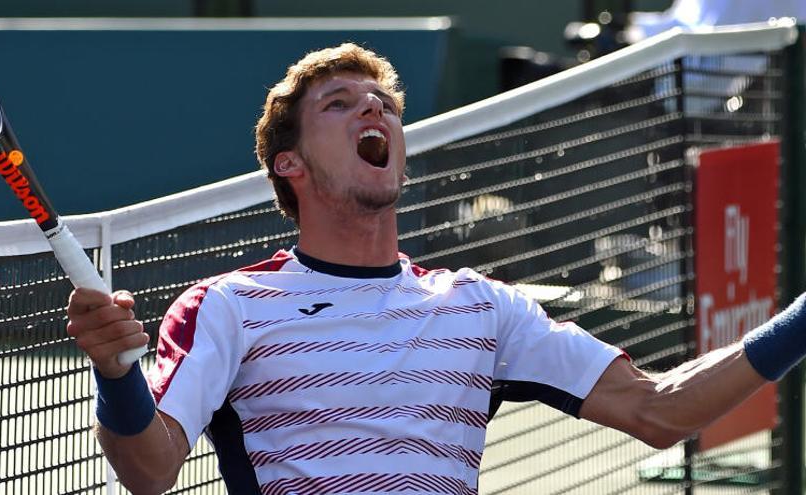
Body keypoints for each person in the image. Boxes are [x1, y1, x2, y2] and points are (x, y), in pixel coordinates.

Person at [66, 43, 806, 494]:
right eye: (340, 103)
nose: (374, 112)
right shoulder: (231, 305)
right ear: (287, 163)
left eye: (383, 102)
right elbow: (150, 469)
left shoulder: (480, 308)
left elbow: (660, 409)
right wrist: (116, 376)